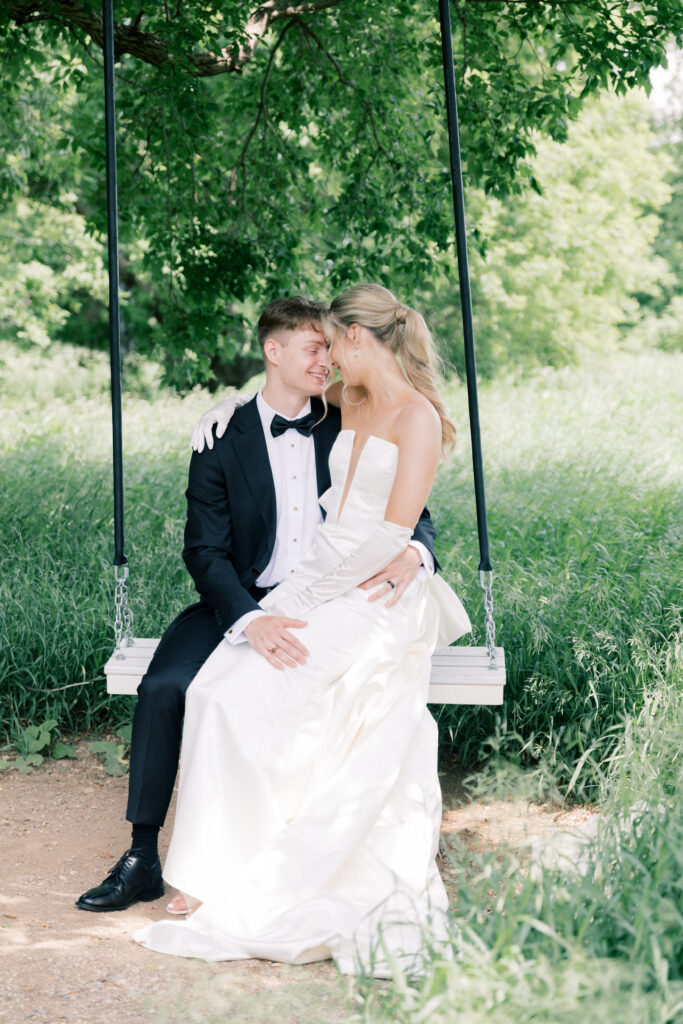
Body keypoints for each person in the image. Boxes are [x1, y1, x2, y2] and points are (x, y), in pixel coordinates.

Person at [132, 284, 471, 975]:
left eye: (329, 345)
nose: (323, 362)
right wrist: (226, 404)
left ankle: (263, 867)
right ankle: (182, 861)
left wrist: (415, 554)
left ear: (353, 339)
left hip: (365, 587)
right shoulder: (307, 413)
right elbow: (208, 542)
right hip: (280, 590)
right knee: (205, 688)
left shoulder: (382, 412)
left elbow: (402, 522)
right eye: (310, 348)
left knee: (270, 694)